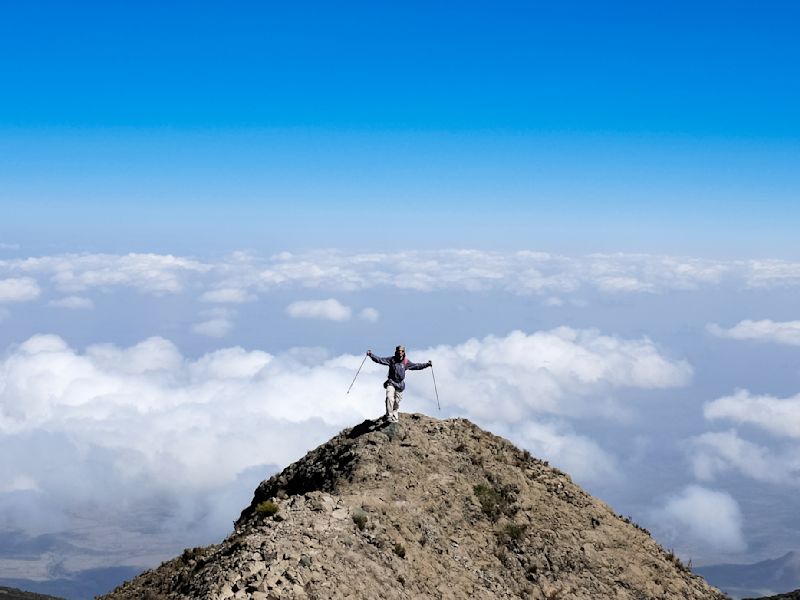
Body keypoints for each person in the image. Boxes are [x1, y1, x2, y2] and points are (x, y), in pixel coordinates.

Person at [367, 345, 432, 424]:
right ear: (396, 352)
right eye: (398, 351)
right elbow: (380, 360)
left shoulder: (406, 362)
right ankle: (389, 416)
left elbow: (417, 366)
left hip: (400, 385)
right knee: (389, 397)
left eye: (401, 351)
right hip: (391, 382)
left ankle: (394, 415)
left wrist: (427, 365)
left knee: (396, 402)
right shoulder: (391, 360)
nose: (400, 353)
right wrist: (371, 355)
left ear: (404, 352)